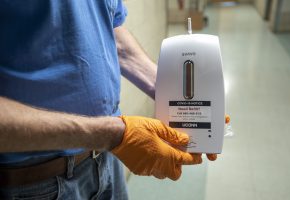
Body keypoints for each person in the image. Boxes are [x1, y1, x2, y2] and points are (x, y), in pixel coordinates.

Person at [0, 1, 217, 199]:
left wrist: (173, 96)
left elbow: (108, 28)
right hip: (34, 183)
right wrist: (114, 135)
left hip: (106, 162)